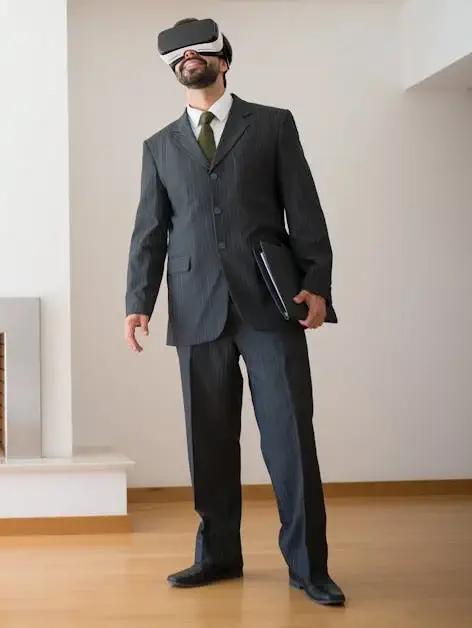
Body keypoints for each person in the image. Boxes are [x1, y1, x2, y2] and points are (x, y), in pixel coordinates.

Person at [123, 17, 345, 606]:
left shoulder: (272, 125)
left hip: (271, 304)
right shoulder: (159, 146)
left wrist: (317, 282)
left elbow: (304, 207)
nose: (188, 59)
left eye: (199, 51)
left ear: (223, 59)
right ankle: (218, 555)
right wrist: (138, 302)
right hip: (195, 307)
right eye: (177, 56)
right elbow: (149, 232)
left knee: (289, 437)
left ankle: (309, 567)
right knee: (209, 441)